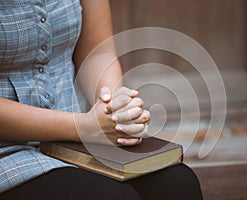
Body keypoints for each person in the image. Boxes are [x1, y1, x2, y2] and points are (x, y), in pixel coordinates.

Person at [0, 0, 203, 199]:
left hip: (77, 140)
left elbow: (98, 52)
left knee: (178, 184)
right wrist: (86, 127)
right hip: (8, 151)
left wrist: (115, 109)